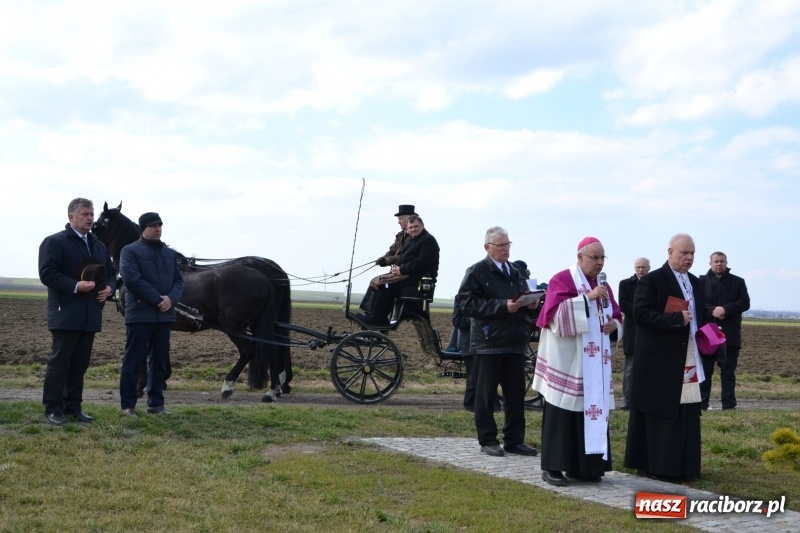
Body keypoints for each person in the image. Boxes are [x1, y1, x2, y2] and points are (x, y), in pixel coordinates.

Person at [533, 237, 622, 486]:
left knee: (592, 412)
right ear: (580, 257)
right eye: (595, 257)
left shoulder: (604, 285)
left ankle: (586, 467)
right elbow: (554, 318)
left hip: (595, 365)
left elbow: (616, 315)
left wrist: (614, 325)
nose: (599, 263)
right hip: (567, 362)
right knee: (561, 413)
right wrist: (587, 299)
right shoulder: (562, 279)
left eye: (603, 258)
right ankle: (553, 467)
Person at [624, 233, 708, 481]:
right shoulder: (652, 280)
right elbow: (640, 315)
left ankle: (685, 465)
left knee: (687, 411)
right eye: (684, 253)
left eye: (692, 253)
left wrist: (710, 330)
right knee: (660, 414)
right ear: (670, 252)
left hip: (688, 356)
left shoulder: (695, 281)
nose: (689, 258)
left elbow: (698, 314)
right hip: (658, 361)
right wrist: (675, 320)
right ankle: (657, 466)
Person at [457, 226, 540, 458]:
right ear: (487, 247)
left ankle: (515, 440)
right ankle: (488, 439)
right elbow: (467, 304)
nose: (506, 249)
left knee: (515, 395)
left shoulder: (517, 271)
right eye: (501, 245)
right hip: (488, 342)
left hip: (515, 341)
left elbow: (524, 298)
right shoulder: (476, 271)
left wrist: (532, 305)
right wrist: (502, 306)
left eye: (508, 245)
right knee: (485, 395)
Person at [38, 198, 116, 426]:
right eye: (85, 214)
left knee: (80, 364)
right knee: (59, 363)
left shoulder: (99, 246)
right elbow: (48, 273)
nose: (90, 218)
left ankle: (74, 407)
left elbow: (110, 272)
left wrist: (109, 288)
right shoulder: (55, 242)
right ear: (71, 217)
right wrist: (75, 286)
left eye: (91, 214)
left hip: (91, 313)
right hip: (66, 311)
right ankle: (53, 408)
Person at [119, 212, 184, 416]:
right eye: (153, 225)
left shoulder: (169, 253)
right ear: (142, 229)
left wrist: (171, 299)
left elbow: (178, 281)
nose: (157, 229)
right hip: (140, 314)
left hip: (164, 316)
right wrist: (158, 300)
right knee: (133, 360)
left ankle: (156, 404)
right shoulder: (129, 251)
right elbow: (132, 280)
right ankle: (128, 405)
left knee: (159, 362)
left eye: (160, 225)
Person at [360, 215, 439, 326]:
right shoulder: (412, 240)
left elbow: (421, 262)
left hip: (419, 280)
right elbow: (402, 258)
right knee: (380, 281)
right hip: (409, 276)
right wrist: (395, 268)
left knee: (386, 285)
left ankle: (379, 318)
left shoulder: (428, 240)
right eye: (410, 228)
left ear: (422, 226)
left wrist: (401, 270)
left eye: (416, 226)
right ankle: (372, 314)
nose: (413, 230)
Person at [699, 252, 750, 410]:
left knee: (728, 373)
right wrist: (713, 311)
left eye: (722, 261)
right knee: (705, 372)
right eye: (716, 261)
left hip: (730, 335)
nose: (719, 264)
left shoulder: (738, 282)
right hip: (707, 335)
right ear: (710, 263)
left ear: (727, 262)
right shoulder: (699, 282)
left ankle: (728, 405)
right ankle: (701, 405)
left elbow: (744, 303)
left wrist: (725, 309)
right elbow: (697, 303)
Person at [360, 204, 416, 314]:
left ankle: (376, 316)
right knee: (376, 281)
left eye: (400, 219)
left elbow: (408, 256)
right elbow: (392, 251)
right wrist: (383, 259)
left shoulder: (414, 236)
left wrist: (390, 260)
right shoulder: (401, 236)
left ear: (408, 219)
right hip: (396, 272)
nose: (398, 222)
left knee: (381, 283)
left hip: (405, 274)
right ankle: (369, 313)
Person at [617, 257, 651, 410]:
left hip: (650, 331)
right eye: (638, 267)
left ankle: (646, 399)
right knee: (630, 369)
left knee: (649, 368)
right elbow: (623, 304)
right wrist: (642, 313)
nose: (641, 270)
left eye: (644, 267)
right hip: (632, 331)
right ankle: (628, 400)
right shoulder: (625, 284)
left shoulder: (654, 284)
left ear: (649, 268)